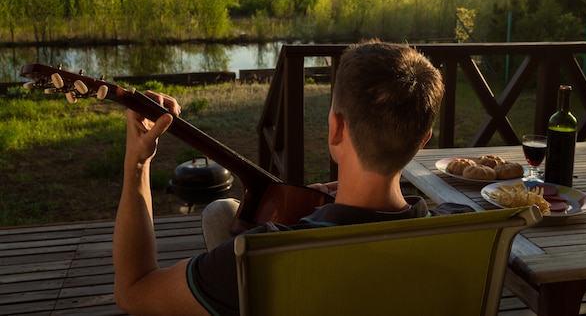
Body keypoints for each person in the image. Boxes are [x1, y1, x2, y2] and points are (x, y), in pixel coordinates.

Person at [113, 40, 474, 316]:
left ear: (336, 129)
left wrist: (136, 165)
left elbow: (133, 291)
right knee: (223, 212)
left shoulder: (262, 254)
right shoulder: (463, 230)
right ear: (422, 140)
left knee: (222, 215)